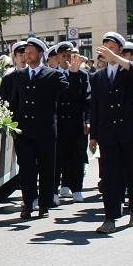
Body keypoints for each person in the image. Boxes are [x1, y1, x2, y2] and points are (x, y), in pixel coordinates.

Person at [88, 33, 133, 234]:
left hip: (129, 131)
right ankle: (110, 217)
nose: (107, 51)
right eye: (104, 47)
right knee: (109, 175)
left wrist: (119, 59)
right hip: (107, 133)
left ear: (121, 50)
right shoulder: (98, 76)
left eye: (112, 47)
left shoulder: (128, 71)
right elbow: (95, 107)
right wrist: (93, 135)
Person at [9, 37, 68, 218]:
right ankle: (28, 203)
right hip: (24, 129)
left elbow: (68, 93)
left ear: (40, 54)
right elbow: (15, 101)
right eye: (25, 53)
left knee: (46, 167)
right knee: (26, 167)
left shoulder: (53, 75)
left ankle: (44, 204)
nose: (27, 56)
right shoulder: (18, 75)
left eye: (31, 52)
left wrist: (72, 73)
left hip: (44, 129)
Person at [54, 43, 90, 202]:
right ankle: (54, 190)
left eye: (69, 55)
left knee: (76, 157)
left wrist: (87, 121)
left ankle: (76, 189)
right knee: (56, 158)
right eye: (63, 56)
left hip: (75, 122)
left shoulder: (82, 75)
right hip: (58, 123)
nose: (66, 59)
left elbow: (87, 99)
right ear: (57, 58)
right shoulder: (52, 74)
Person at [0, 41, 27, 110]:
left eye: (25, 55)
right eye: (20, 55)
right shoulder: (7, 79)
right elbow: (3, 102)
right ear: (14, 56)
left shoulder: (34, 76)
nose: (23, 58)